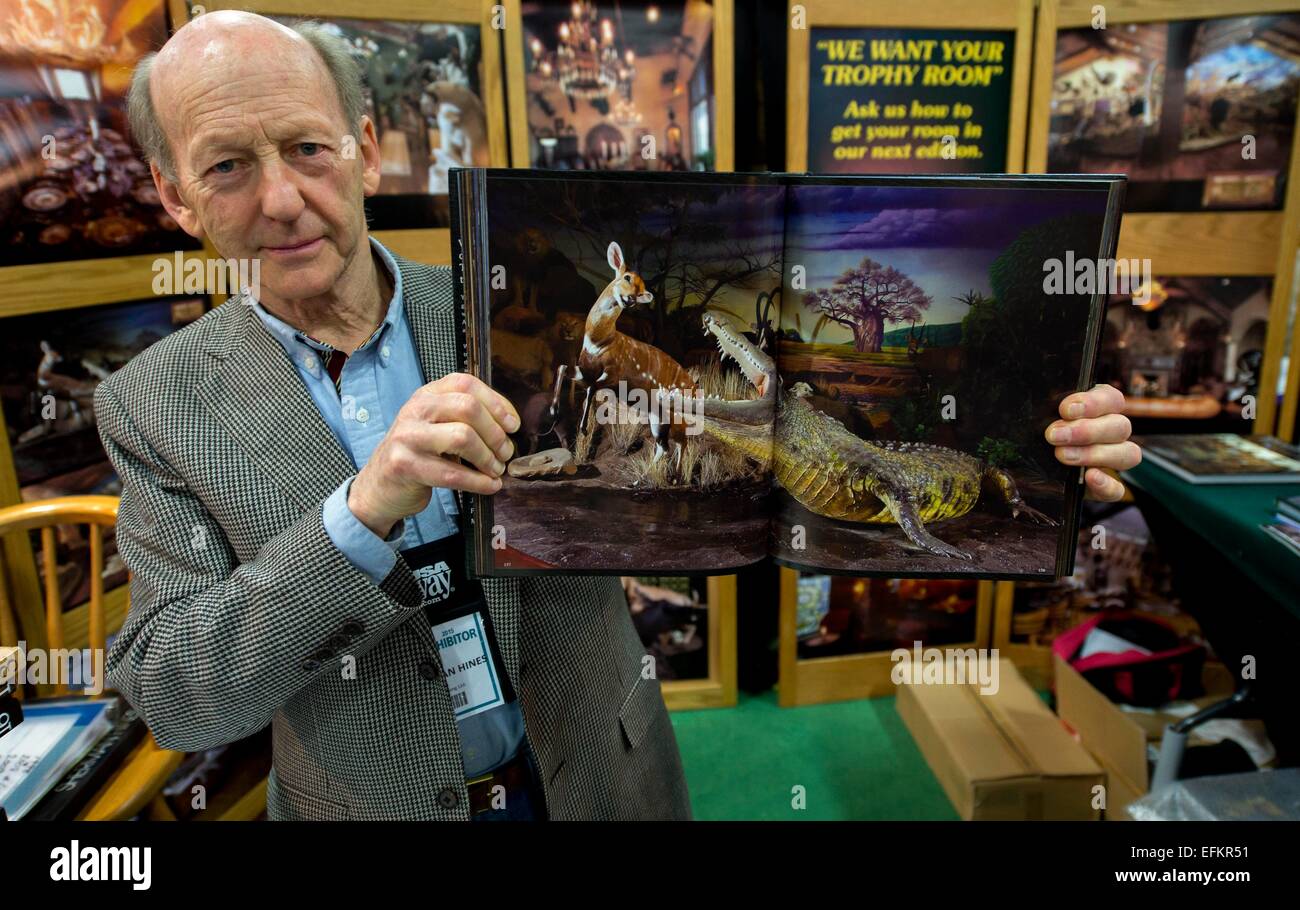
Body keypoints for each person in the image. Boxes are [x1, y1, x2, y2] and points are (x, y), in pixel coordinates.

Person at [99, 12, 1139, 821]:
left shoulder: (497, 309)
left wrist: (1057, 489)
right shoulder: (150, 407)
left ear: (366, 150)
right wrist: (358, 512)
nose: (281, 199)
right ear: (176, 196)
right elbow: (181, 697)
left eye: (308, 149)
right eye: (229, 165)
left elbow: (738, 478)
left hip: (604, 774)